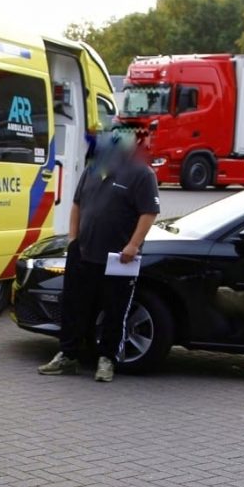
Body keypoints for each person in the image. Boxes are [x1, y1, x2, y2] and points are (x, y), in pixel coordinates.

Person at [38, 128, 159, 383]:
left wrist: (134, 245)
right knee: (74, 307)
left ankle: (107, 360)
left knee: (115, 310)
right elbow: (77, 204)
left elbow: (148, 213)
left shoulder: (142, 174)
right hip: (83, 253)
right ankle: (67, 356)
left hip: (119, 258)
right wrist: (73, 239)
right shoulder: (93, 169)